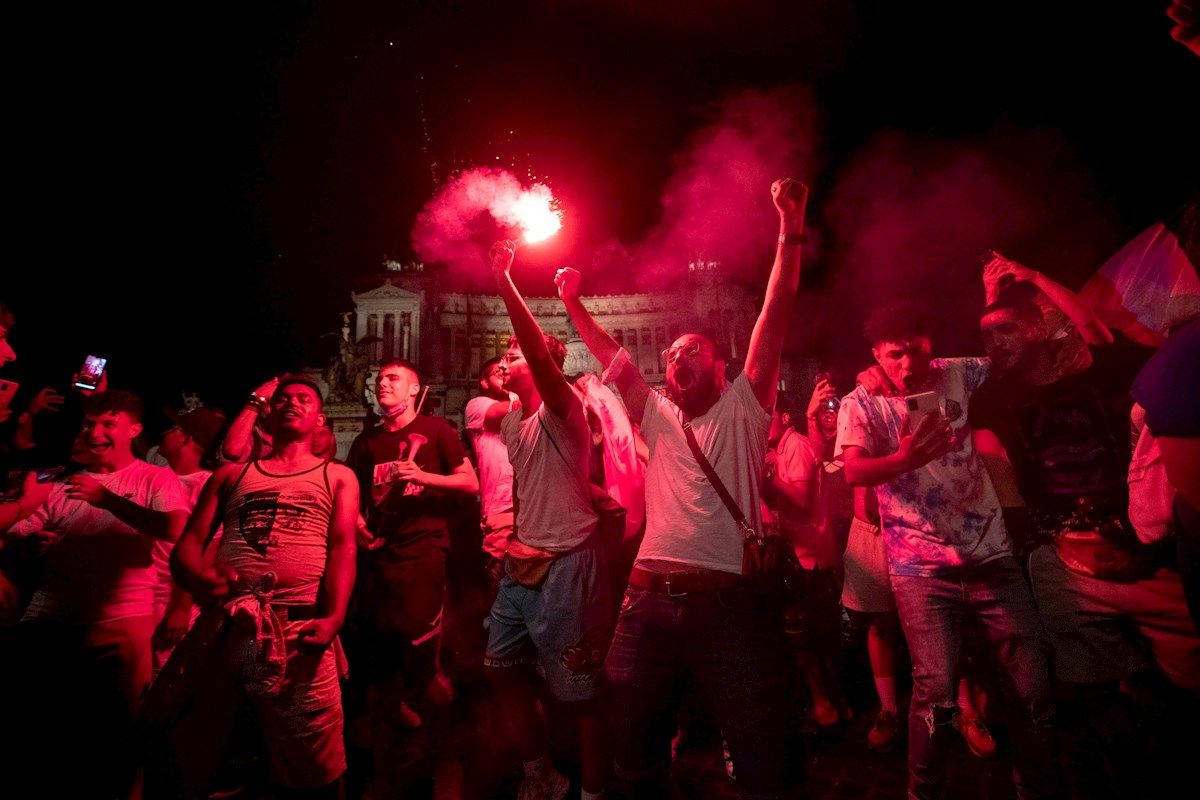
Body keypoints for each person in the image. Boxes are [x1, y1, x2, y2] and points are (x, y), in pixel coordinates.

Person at [558, 178, 809, 798]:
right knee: (633, 733)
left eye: (692, 349)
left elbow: (775, 314)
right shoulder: (658, 416)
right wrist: (570, 303)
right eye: (670, 352)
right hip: (645, 601)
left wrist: (790, 226)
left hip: (723, 603)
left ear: (722, 365)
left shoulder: (745, 410)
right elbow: (609, 353)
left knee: (756, 741)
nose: (677, 357)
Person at [838, 300, 1056, 799]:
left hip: (992, 557)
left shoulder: (956, 373)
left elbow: (1017, 353)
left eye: (915, 351)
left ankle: (1036, 789)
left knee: (1032, 689)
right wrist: (902, 457)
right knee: (935, 698)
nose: (907, 365)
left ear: (930, 344)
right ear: (875, 353)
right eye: (894, 355)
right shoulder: (861, 402)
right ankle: (923, 793)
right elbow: (852, 471)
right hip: (920, 568)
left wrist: (997, 302)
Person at [165, 375, 359, 797]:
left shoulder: (338, 477)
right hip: (228, 625)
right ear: (268, 413)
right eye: (283, 399)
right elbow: (187, 549)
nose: (291, 403)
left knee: (314, 754)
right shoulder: (232, 475)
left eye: (304, 399)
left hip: (297, 625)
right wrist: (200, 578)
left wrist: (335, 617)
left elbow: (344, 548)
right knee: (218, 739)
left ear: (320, 418)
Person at [5, 390, 190, 798]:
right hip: (51, 620)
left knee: (125, 733)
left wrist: (107, 499)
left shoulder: (153, 477)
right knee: (53, 735)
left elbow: (174, 529)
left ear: (134, 429)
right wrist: (33, 541)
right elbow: (18, 531)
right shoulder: (62, 478)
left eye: (109, 424)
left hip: (121, 623)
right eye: (90, 424)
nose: (97, 432)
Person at [484, 240, 610, 800]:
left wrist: (504, 280)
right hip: (522, 564)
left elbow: (537, 354)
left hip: (568, 566)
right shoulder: (512, 424)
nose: (504, 361)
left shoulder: (567, 413)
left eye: (513, 355)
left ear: (544, 366)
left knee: (581, 692)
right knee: (499, 666)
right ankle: (541, 771)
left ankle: (595, 790)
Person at [344, 358, 478, 795]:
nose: (383, 383)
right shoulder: (365, 443)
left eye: (393, 379)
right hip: (378, 567)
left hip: (422, 560)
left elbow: (470, 482)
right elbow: (355, 501)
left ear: (414, 390)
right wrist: (361, 530)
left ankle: (447, 761)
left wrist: (422, 475)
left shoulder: (438, 431)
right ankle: (385, 774)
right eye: (380, 378)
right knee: (380, 679)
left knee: (422, 670)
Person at [151, 405, 226, 673]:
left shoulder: (205, 485)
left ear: (186, 438)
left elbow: (206, 547)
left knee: (165, 680)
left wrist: (181, 606)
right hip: (142, 596)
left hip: (171, 599)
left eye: (173, 429)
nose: (164, 433)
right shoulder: (155, 478)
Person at [464, 356, 514, 603]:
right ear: (483, 382)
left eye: (508, 371)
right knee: (502, 590)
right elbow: (502, 413)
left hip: (538, 511)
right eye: (497, 372)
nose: (504, 375)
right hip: (503, 511)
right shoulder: (477, 405)